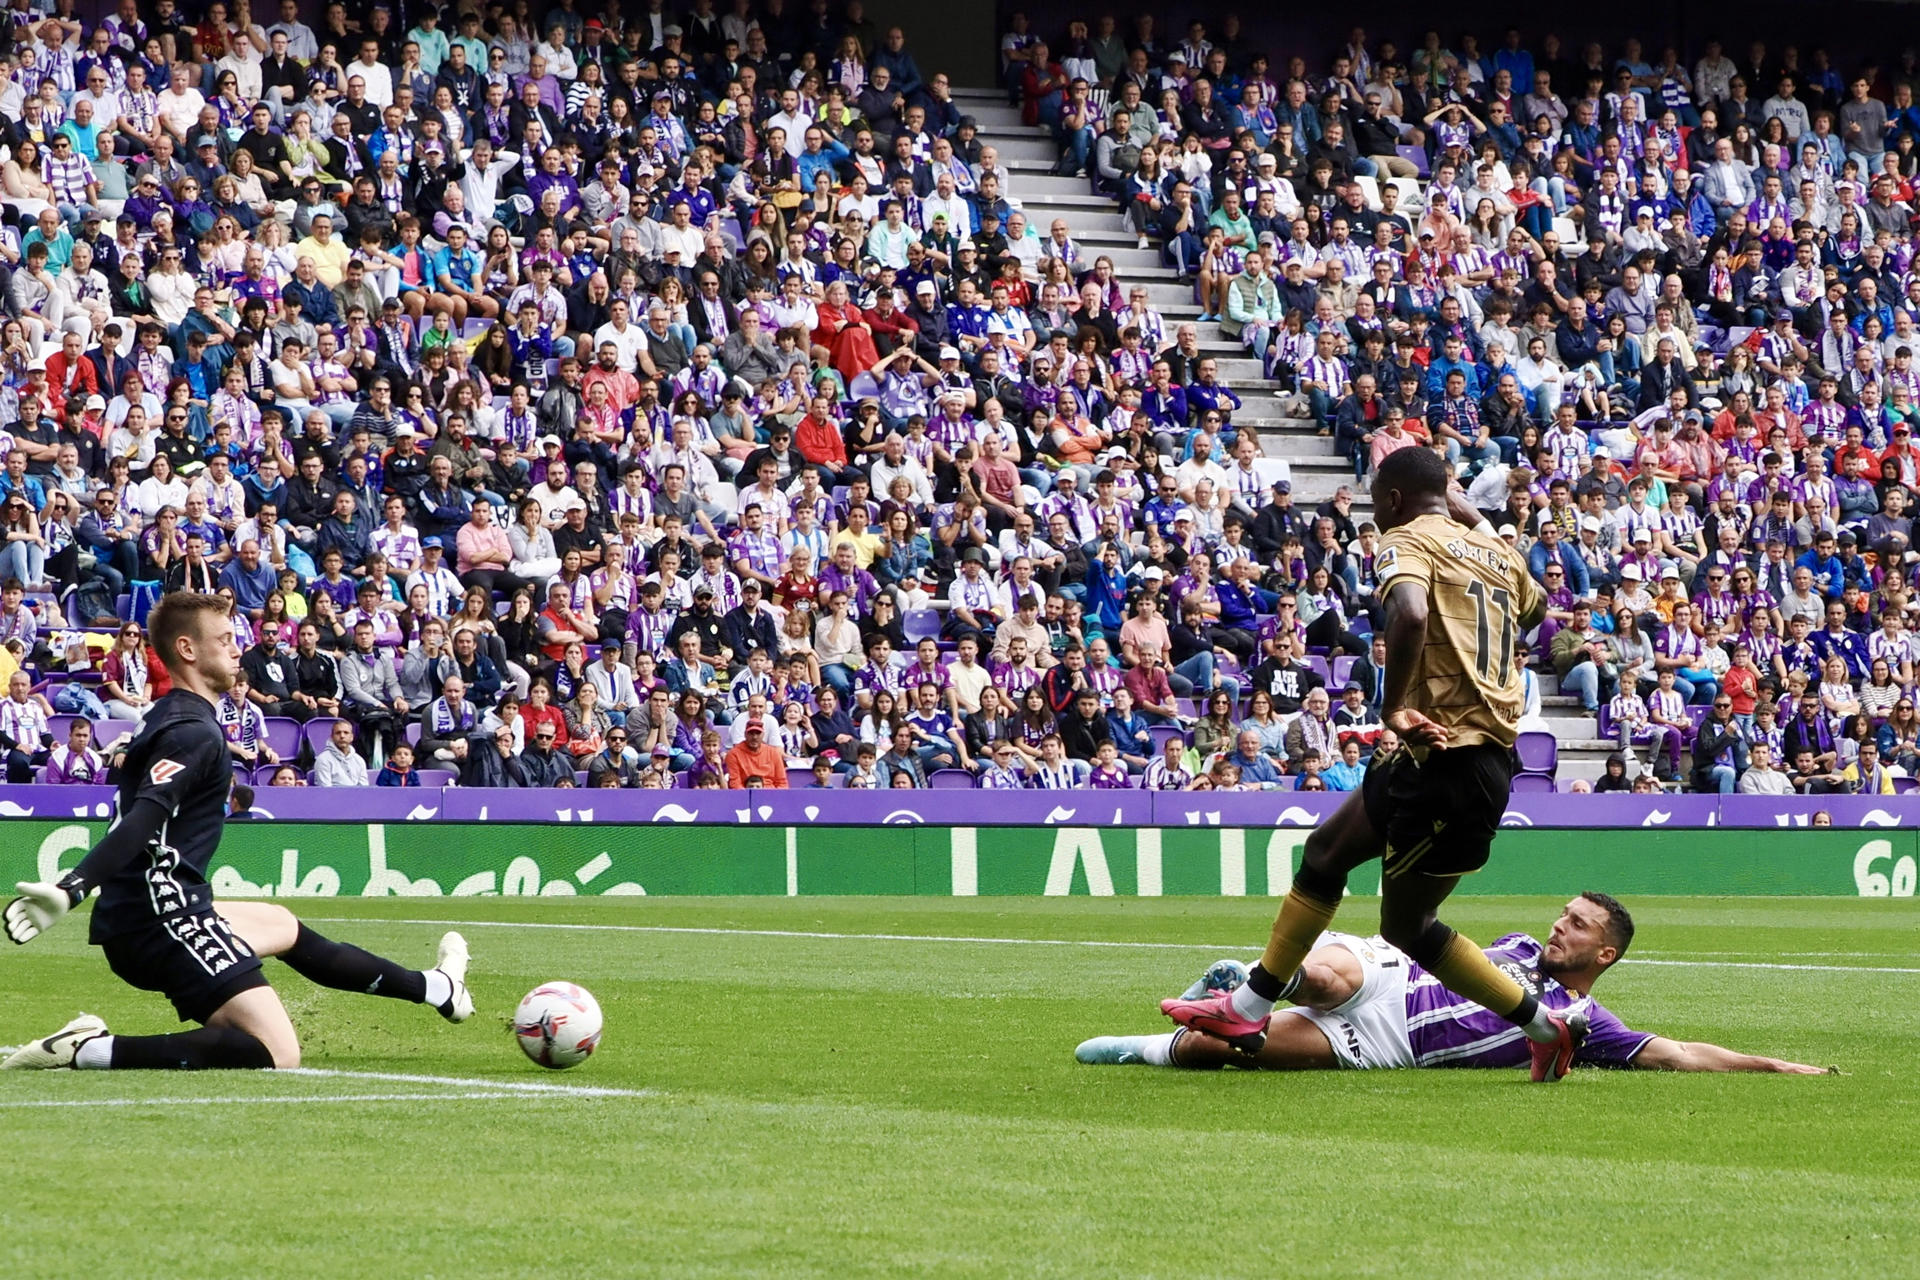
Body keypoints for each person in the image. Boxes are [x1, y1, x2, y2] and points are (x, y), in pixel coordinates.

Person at [1158, 447, 1581, 1082]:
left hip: (1447, 758)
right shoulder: (1502, 556)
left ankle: (1546, 1028)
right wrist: (1468, 516)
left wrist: (1395, 705)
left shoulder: (1404, 538)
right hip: (1456, 757)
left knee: (1408, 927)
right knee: (1326, 854)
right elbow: (1537, 608)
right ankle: (1246, 1007)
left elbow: (1408, 612)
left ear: (1388, 502)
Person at [3, 592, 474, 1073]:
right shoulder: (194, 732)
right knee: (276, 1052)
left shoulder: (173, 716)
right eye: (225, 639)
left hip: (147, 906)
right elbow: (145, 816)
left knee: (282, 926)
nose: (237, 649)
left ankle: (436, 988)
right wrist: (73, 887)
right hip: (159, 915)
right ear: (187, 649)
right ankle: (90, 1049)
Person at [1079, 894, 1827, 1075]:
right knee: (1333, 973)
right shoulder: (1519, 947)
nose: (1559, 927)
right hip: (1390, 978)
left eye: (1578, 926)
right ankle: (1251, 984)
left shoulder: (1584, 1019)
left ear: (1604, 953)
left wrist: (1773, 1064)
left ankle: (1147, 1044)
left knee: (1243, 1055)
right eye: (1564, 915)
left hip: (1387, 1041)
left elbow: (1682, 1055)